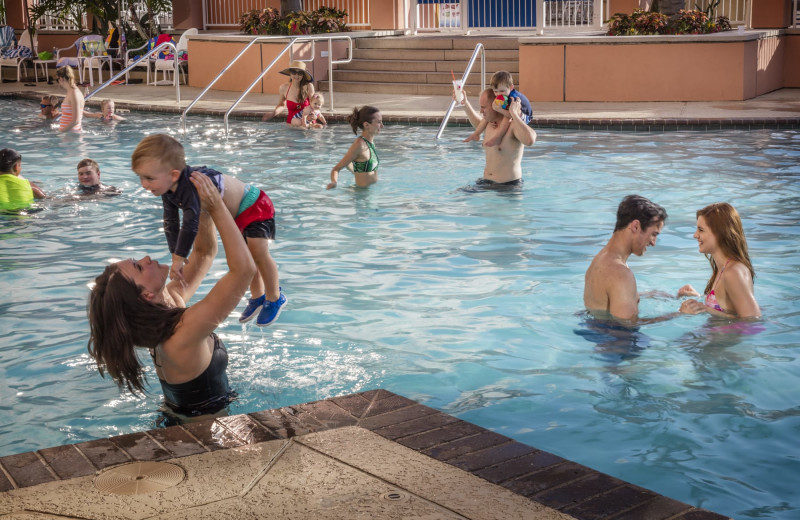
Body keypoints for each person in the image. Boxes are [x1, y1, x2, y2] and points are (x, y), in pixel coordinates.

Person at [87, 173, 256, 419]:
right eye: (138, 267)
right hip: (202, 437)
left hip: (178, 421)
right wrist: (218, 206)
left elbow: (204, 252)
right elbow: (244, 271)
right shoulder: (181, 334)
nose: (145, 259)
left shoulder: (167, 305)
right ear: (145, 295)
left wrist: (200, 203)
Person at [131, 134, 286, 327]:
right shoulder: (169, 190)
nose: (144, 185)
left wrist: (180, 258)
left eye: (149, 178)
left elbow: (190, 224)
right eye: (141, 177)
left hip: (254, 204)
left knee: (259, 254)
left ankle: (275, 298)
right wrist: (174, 255)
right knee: (248, 254)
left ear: (173, 175)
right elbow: (170, 222)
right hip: (238, 215)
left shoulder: (192, 188)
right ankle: (257, 297)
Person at [584, 195, 671, 322]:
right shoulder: (621, 274)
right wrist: (680, 314)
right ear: (635, 226)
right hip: (619, 340)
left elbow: (609, 300)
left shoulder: (599, 260)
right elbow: (628, 325)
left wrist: (647, 295)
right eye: (653, 234)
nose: (653, 243)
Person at [678, 203, 760, 319]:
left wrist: (706, 310)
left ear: (720, 233)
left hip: (725, 336)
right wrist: (697, 299)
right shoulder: (723, 269)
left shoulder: (733, 272)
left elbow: (753, 321)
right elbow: (727, 307)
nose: (695, 235)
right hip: (715, 335)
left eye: (701, 230)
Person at [459, 87, 537, 188]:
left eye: (484, 107)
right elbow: (478, 125)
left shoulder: (512, 126)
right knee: (457, 197)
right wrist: (465, 104)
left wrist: (514, 114)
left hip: (507, 188)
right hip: (486, 182)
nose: (481, 111)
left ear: (496, 105)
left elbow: (530, 140)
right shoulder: (490, 124)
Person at [465, 71, 533, 147]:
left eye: (502, 91)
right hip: (513, 112)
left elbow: (511, 115)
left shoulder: (512, 97)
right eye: (495, 91)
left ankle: (498, 137)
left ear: (511, 87)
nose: (498, 94)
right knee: (489, 111)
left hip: (525, 115)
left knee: (506, 116)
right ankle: (476, 134)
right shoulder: (504, 94)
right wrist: (491, 119)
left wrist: (499, 110)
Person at [328, 106, 382, 190]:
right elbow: (336, 169)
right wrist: (334, 182)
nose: (382, 126)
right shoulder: (359, 145)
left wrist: (355, 169)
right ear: (366, 124)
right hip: (362, 196)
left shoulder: (370, 142)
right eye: (379, 122)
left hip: (371, 192)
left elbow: (351, 162)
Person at [0, 148, 45, 212]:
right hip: (25, 214)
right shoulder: (27, 183)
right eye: (20, 165)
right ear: (16, 167)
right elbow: (43, 197)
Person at [55, 67, 84, 133]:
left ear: (61, 78)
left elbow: (75, 121)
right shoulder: (72, 92)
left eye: (57, 80)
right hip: (69, 134)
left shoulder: (74, 93)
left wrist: (61, 132)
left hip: (71, 135)